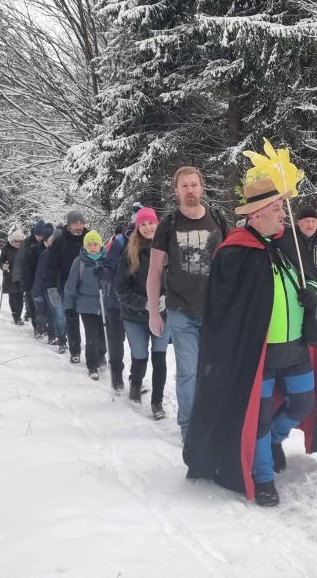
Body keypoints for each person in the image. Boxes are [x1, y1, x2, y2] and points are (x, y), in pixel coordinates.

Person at [183, 176, 317, 507]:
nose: (282, 214)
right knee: (261, 416)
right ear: (255, 214)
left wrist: (314, 296)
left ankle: (273, 442)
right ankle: (264, 475)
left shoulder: (289, 243)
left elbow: (313, 278)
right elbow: (225, 310)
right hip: (257, 352)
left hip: (296, 347)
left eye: (282, 207)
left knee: (303, 402)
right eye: (276, 208)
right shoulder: (235, 252)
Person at [149, 167, 228, 435]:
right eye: (184, 186)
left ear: (202, 187)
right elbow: (155, 271)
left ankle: (213, 422)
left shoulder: (218, 219)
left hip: (215, 310)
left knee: (215, 370)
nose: (190, 190)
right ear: (177, 190)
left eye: (194, 184)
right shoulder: (168, 224)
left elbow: (232, 262)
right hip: (181, 310)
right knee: (189, 372)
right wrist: (153, 313)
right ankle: (189, 427)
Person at [113, 207, 171, 418]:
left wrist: (167, 299)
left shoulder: (168, 250)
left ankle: (157, 403)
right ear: (137, 227)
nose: (148, 227)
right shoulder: (129, 253)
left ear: (158, 224)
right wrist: (145, 303)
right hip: (135, 316)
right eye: (143, 224)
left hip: (164, 314)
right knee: (140, 356)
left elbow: (177, 280)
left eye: (151, 223)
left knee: (160, 358)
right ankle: (135, 384)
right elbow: (120, 287)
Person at [64, 230, 110, 380]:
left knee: (103, 334)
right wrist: (69, 305)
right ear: (85, 246)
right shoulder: (80, 262)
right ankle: (92, 365)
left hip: (105, 303)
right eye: (89, 245)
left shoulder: (107, 259)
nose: (92, 247)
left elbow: (114, 280)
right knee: (91, 335)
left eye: (95, 244)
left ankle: (101, 354)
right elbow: (71, 284)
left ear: (100, 245)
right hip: (86, 304)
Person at [47, 211, 89, 361]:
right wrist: (51, 287)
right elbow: (51, 266)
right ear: (69, 225)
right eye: (74, 223)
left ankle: (97, 352)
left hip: (88, 287)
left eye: (80, 223)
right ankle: (75, 351)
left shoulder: (90, 238)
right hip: (66, 286)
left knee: (92, 321)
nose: (78, 226)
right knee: (71, 318)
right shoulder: (60, 241)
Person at [99, 221, 130, 392]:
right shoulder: (118, 244)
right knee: (116, 340)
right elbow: (109, 265)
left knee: (137, 344)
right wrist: (103, 273)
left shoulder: (150, 243)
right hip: (115, 300)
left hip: (136, 302)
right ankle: (117, 375)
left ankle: (135, 377)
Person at [16, 222, 50, 332]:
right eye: (38, 235)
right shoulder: (27, 243)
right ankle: (37, 326)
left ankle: (44, 326)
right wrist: (19, 277)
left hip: (43, 279)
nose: (40, 237)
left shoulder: (48, 244)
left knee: (42, 306)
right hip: (30, 278)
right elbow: (20, 260)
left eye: (42, 235)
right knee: (32, 305)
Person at [33, 231, 59, 345]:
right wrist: (37, 289)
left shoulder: (62, 254)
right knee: (47, 310)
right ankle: (45, 331)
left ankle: (53, 334)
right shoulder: (46, 253)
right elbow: (40, 272)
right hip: (47, 286)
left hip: (58, 286)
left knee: (53, 311)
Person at [0, 229, 26, 324]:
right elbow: (1, 261)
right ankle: (15, 315)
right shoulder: (6, 249)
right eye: (15, 241)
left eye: (20, 241)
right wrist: (3, 266)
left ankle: (18, 316)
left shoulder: (24, 249)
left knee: (19, 296)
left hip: (20, 277)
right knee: (13, 296)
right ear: (12, 240)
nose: (17, 243)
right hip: (9, 276)